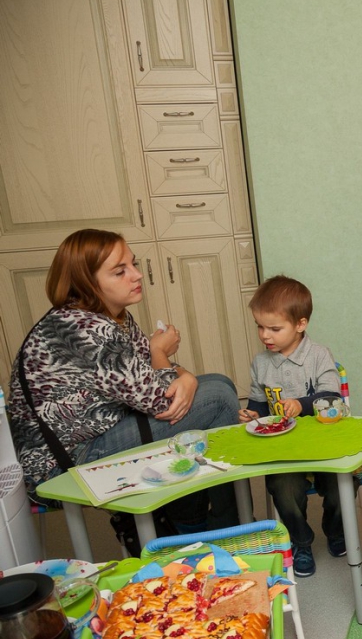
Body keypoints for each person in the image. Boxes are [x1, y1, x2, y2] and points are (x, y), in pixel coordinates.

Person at [8, 229, 239, 552]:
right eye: (120, 271)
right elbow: (161, 398)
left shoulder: (113, 317)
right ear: (88, 283)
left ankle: (189, 524)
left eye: (132, 264)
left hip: (99, 431)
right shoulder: (88, 330)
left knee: (218, 384)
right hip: (63, 463)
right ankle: (223, 530)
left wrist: (183, 376)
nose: (137, 275)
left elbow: (160, 378)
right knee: (218, 399)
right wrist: (169, 362)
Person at [235, 276, 343, 578]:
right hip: (284, 449)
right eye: (260, 327)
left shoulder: (319, 355)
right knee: (282, 487)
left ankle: (335, 531)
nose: (264, 335)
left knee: (339, 484)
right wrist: (251, 415)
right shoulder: (261, 362)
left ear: (300, 324)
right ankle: (300, 541)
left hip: (323, 442)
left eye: (274, 328)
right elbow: (258, 402)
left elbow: (332, 396)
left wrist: (302, 404)